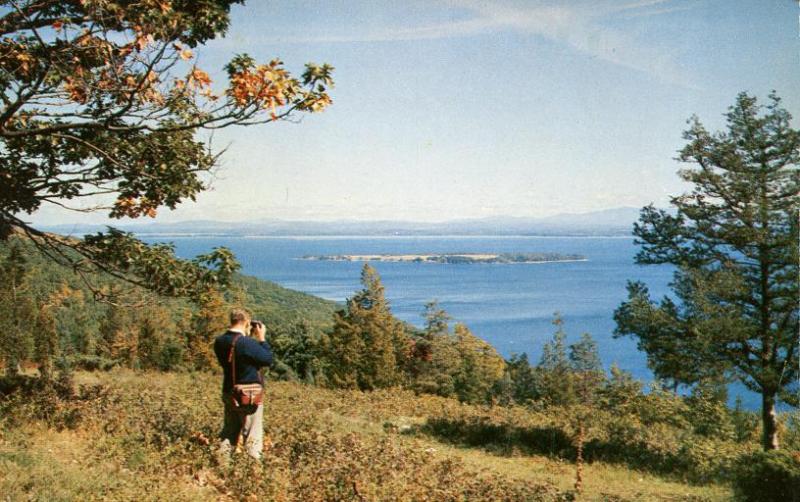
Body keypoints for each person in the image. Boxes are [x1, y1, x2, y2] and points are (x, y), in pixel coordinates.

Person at [214, 308, 274, 461]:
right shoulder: (246, 343)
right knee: (253, 434)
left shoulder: (219, 341)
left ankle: (222, 463)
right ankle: (252, 471)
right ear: (247, 322)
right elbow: (267, 359)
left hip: (229, 392)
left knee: (230, 431)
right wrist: (262, 339)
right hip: (248, 396)